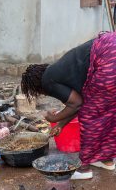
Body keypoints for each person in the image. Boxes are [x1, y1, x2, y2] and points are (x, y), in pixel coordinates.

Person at [21, 32, 116, 180]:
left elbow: (77, 104)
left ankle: (83, 168)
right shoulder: (61, 70)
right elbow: (79, 102)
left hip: (108, 57)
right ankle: (106, 159)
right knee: (108, 112)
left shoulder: (47, 80)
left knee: (91, 115)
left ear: (37, 86)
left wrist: (52, 117)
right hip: (110, 45)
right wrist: (61, 123)